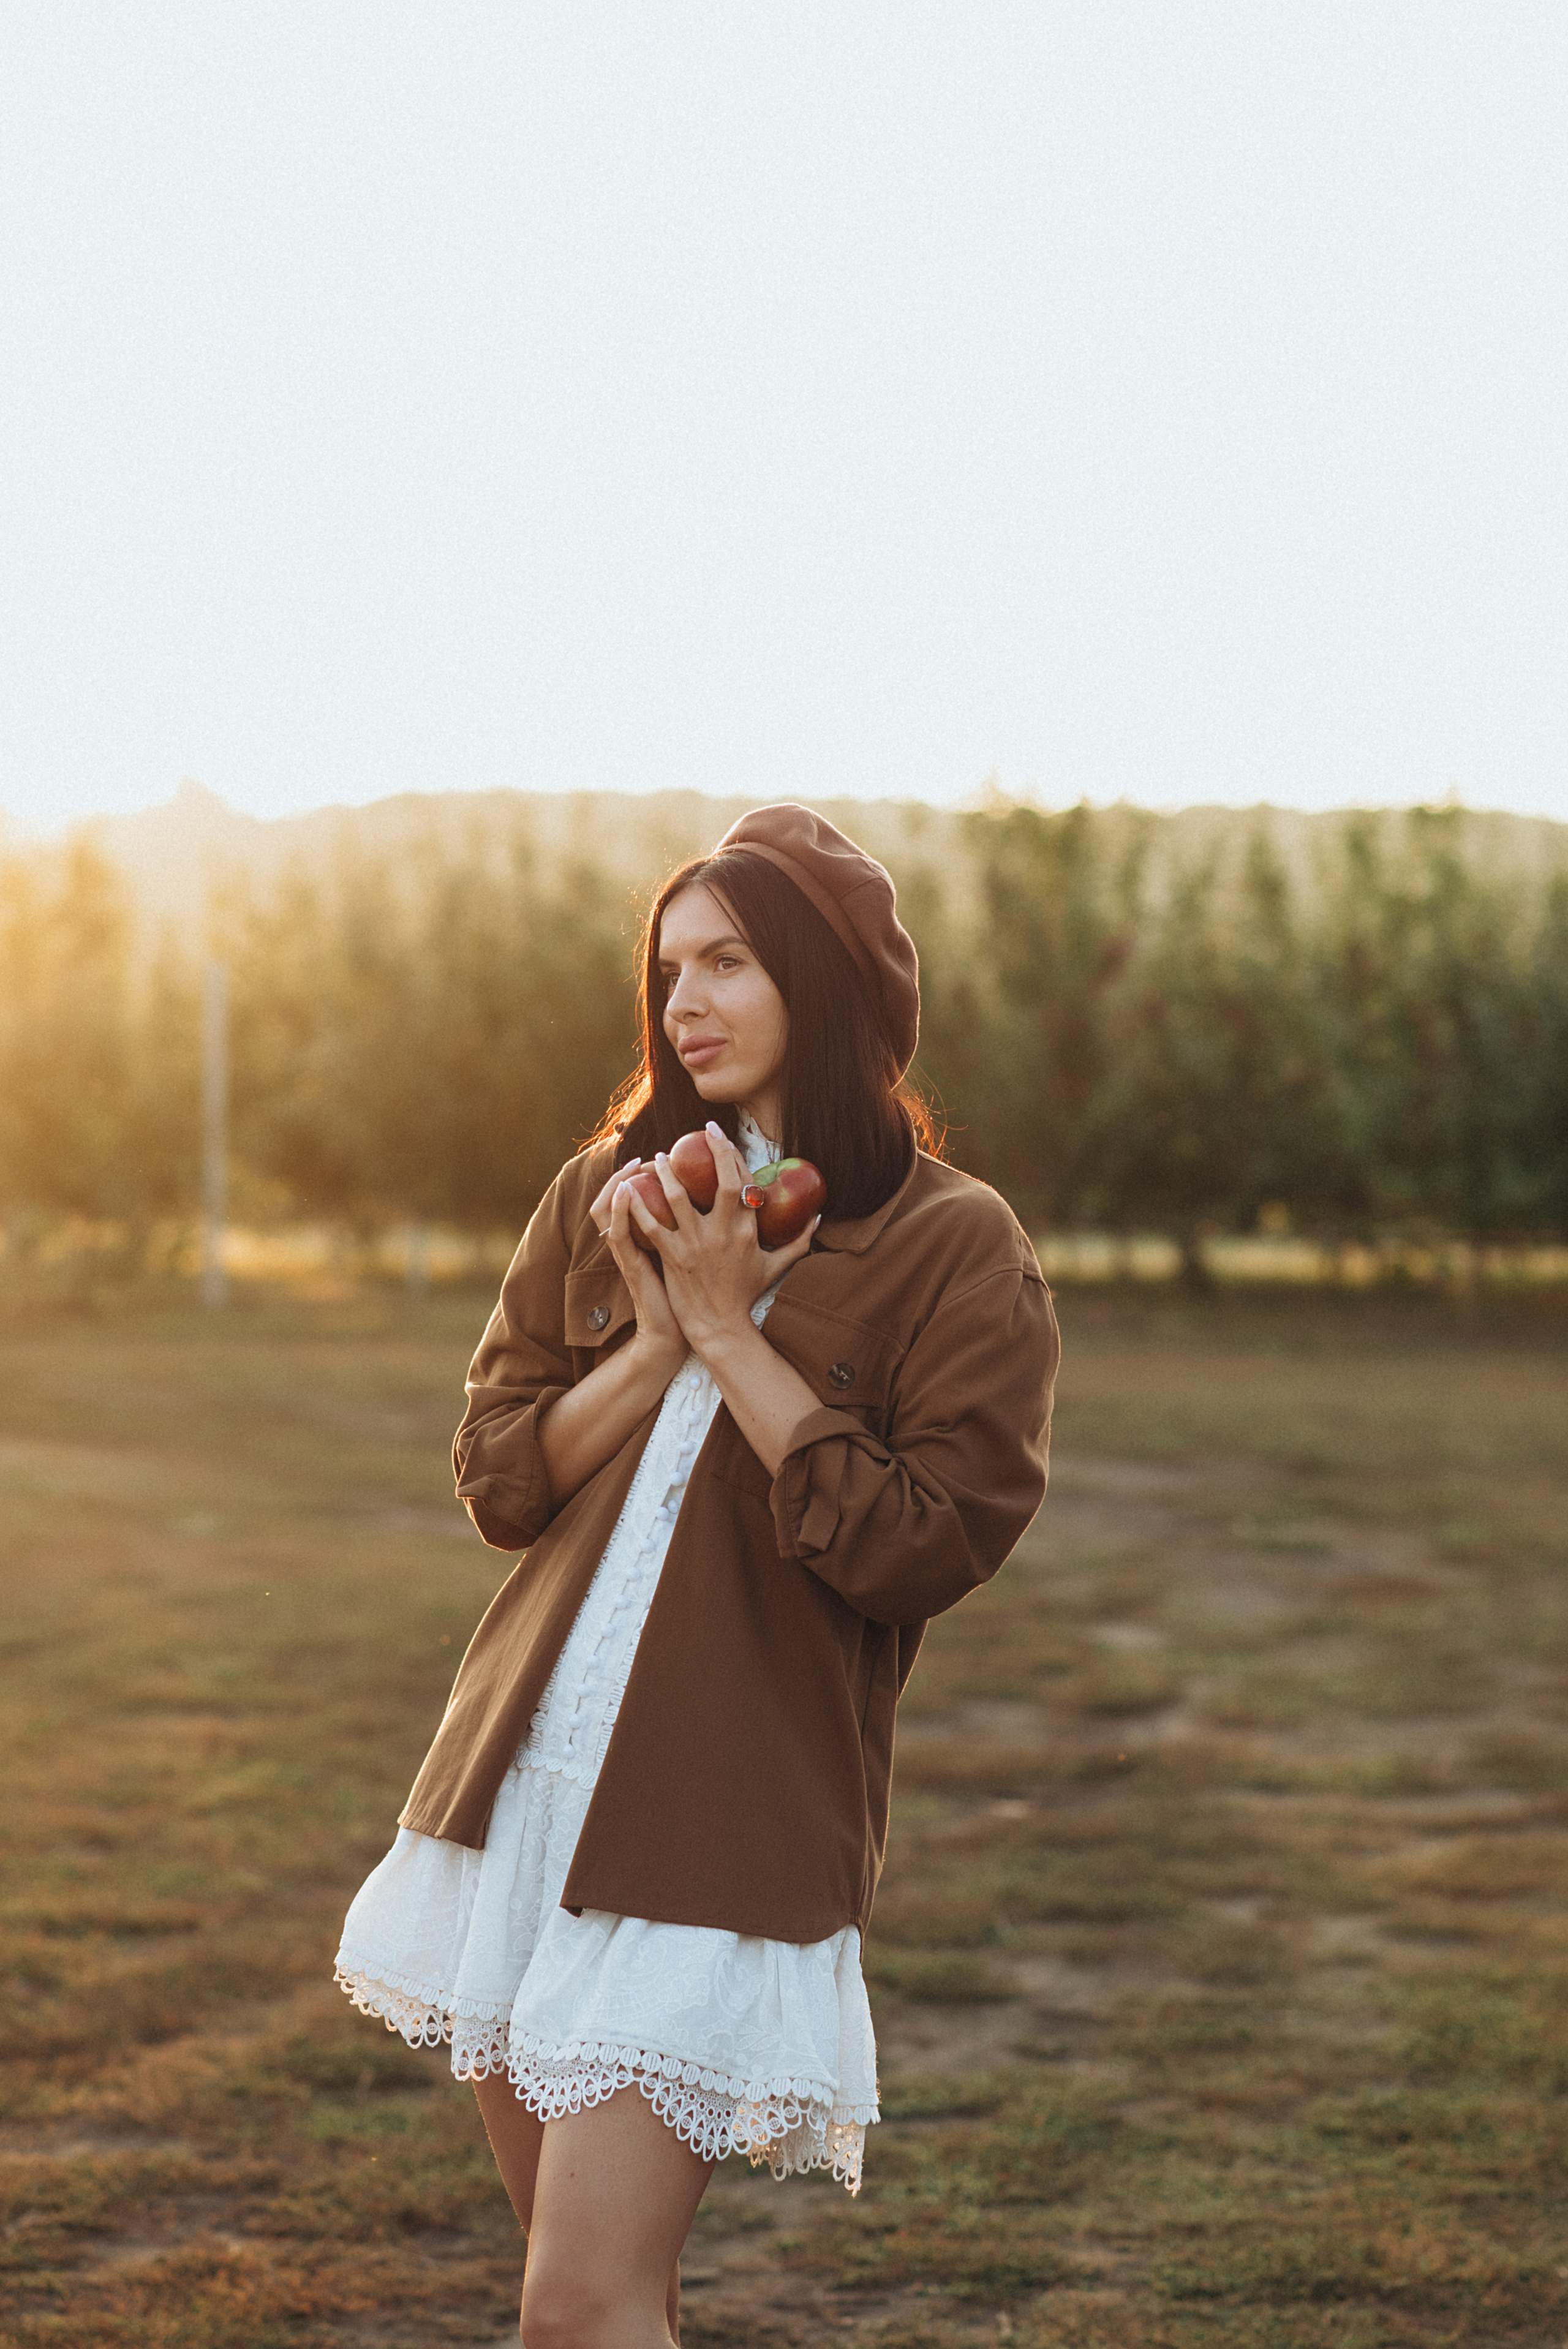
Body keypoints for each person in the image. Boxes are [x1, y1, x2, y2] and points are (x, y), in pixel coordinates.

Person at [334, 802, 1060, 2348]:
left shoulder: (953, 1246)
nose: (685, 1003)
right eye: (669, 967)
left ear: (825, 983)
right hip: (526, 1785)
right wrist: (659, 1332)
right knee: (606, 2303)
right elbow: (500, 1474)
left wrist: (731, 1334)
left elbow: (923, 1541)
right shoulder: (615, 1190)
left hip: (717, 1816)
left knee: (576, 2311)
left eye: (728, 962)